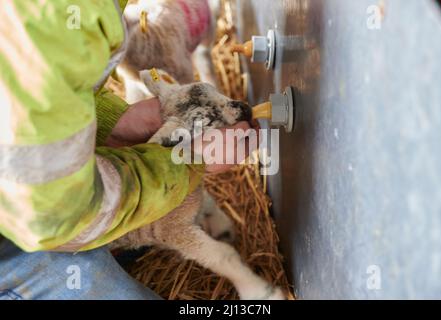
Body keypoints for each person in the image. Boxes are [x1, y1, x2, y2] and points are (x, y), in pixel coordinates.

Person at [0, 0, 254, 299]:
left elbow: (46, 93)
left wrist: (113, 121)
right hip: (33, 222)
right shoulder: (46, 17)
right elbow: (55, 216)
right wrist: (185, 161)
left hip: (27, 194)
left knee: (142, 224)